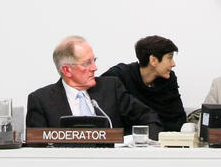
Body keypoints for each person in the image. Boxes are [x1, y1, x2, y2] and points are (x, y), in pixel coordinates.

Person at [26, 36, 163, 138]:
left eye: (94, 60)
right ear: (67, 70)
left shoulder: (111, 88)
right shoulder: (41, 101)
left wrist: (134, 142)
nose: (94, 68)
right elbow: (37, 146)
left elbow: (150, 119)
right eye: (87, 63)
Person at [99, 35, 186, 131]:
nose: (173, 64)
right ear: (153, 60)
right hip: (125, 138)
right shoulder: (118, 76)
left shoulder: (168, 80)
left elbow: (179, 120)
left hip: (162, 137)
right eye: (169, 58)